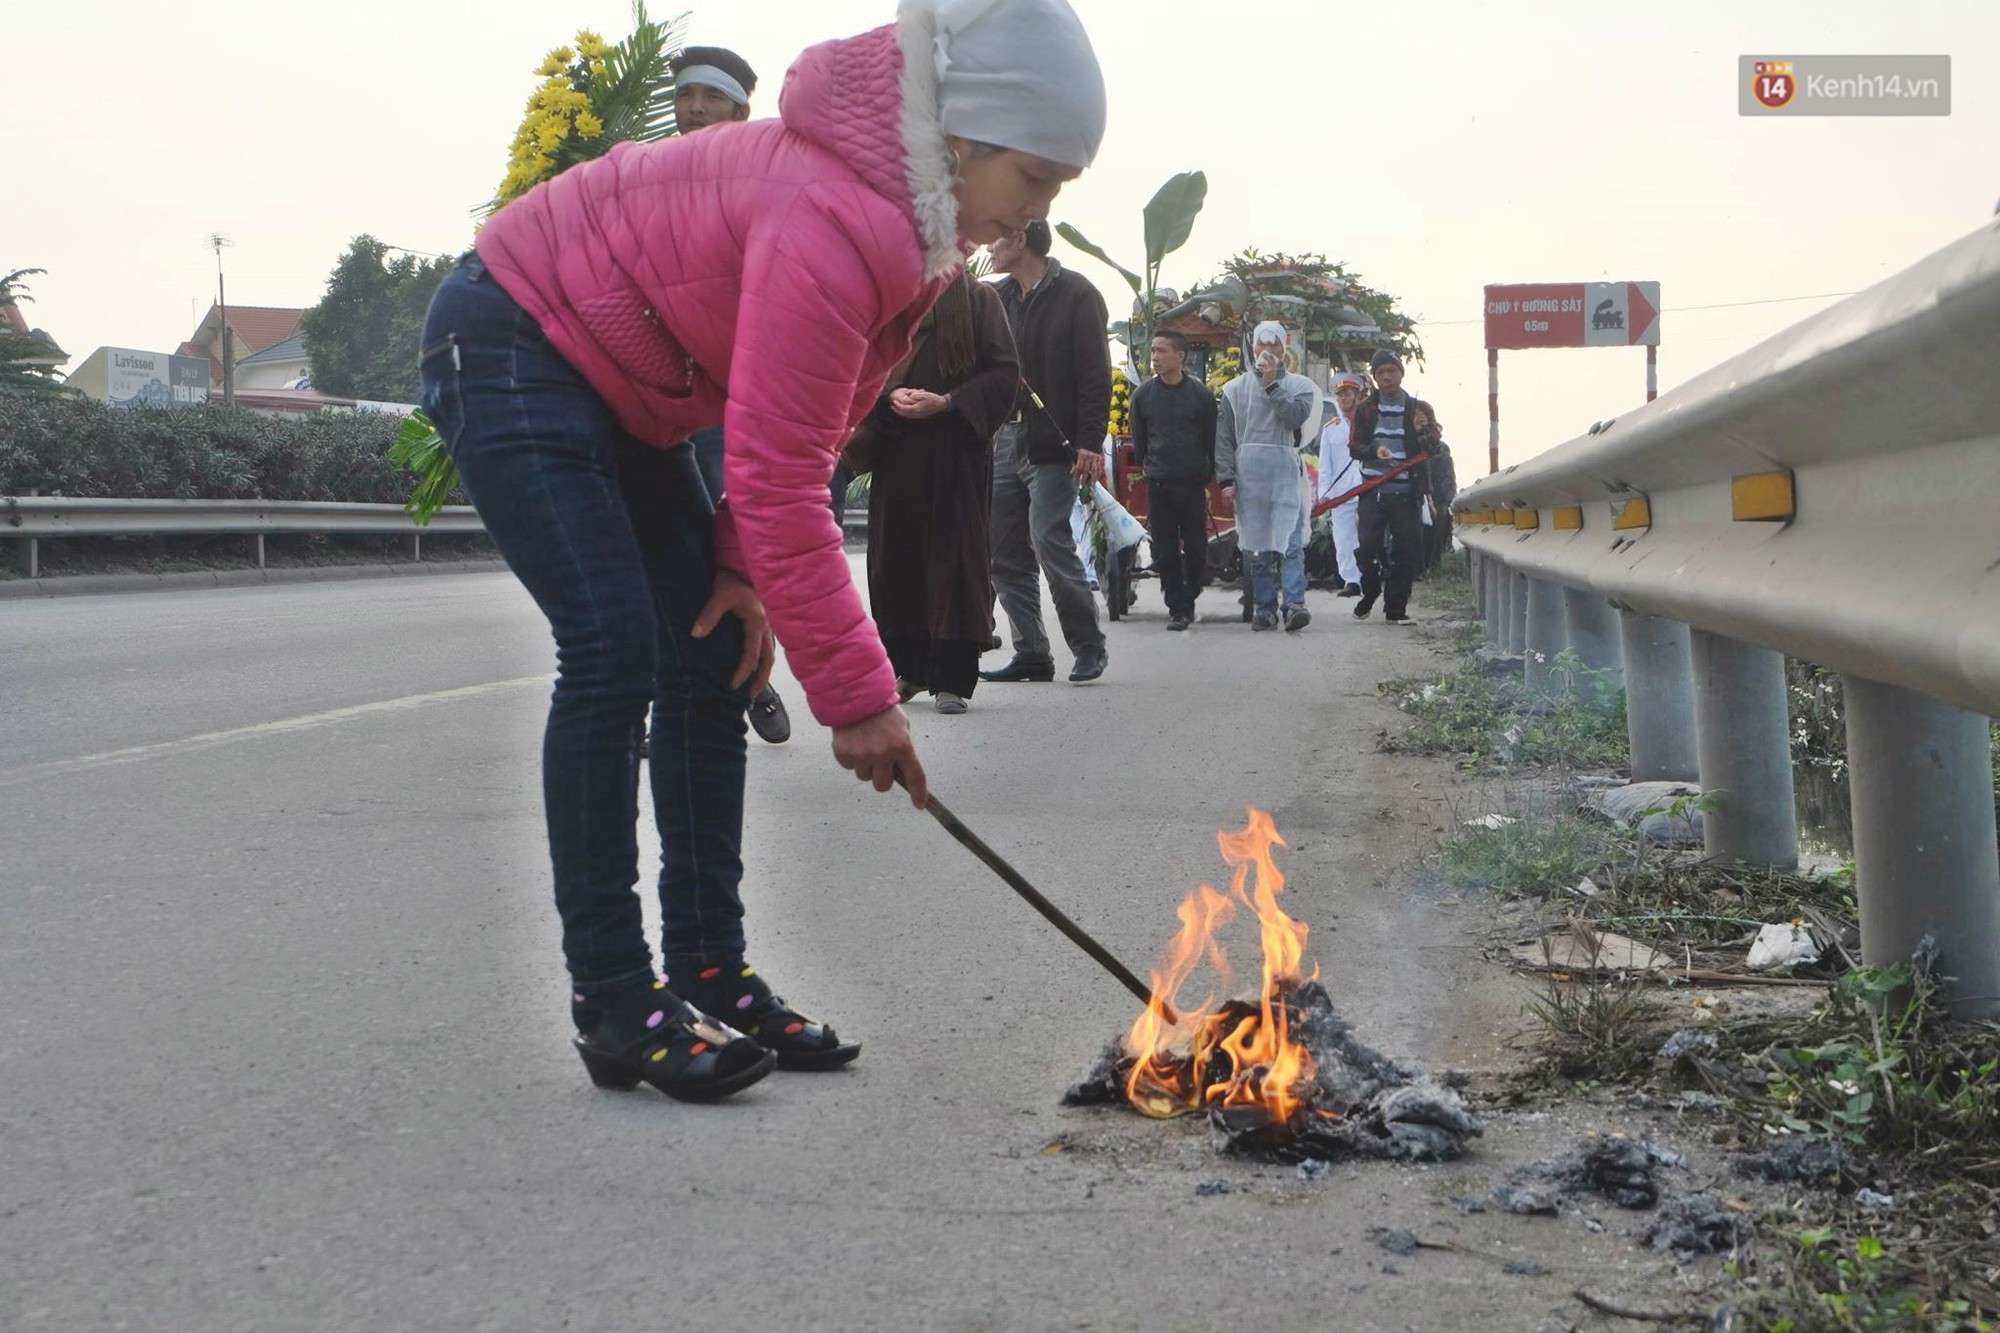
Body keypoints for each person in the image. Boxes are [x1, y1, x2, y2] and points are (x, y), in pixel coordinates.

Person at [418, 0, 1106, 1102]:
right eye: (1034, 178)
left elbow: (813, 422)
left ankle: (707, 968)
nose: (1035, 210)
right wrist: (858, 699)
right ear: (964, 141)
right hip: (513, 333)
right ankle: (614, 997)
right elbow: (781, 472)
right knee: (612, 649)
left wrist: (742, 570)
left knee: (712, 652)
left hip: (626, 383)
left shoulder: (916, 233)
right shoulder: (836, 217)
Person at [658, 45, 794, 746]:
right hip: (652, 394)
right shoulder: (646, 178)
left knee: (729, 546)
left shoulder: (758, 183)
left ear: (741, 111)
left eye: (710, 99)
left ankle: (753, 681)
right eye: (685, 97)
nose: (696, 110)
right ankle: (669, 695)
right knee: (665, 550)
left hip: (727, 398)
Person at [842, 271, 1018, 714]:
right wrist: (890, 394)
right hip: (897, 453)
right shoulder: (891, 294)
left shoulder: (979, 300)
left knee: (956, 563)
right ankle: (911, 669)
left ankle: (953, 678)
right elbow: (863, 368)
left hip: (954, 454)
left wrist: (948, 402)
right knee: (896, 564)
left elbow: (1004, 375)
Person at [979, 219, 1112, 684]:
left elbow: (1096, 375)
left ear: (1020, 240)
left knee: (1049, 539)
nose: (987, 246)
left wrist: (1090, 443)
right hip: (1001, 440)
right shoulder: (994, 297)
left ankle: (1088, 646)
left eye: (997, 237)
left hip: (1053, 446)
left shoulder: (1077, 293)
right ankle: (1032, 652)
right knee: (1002, 553)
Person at [1215, 321, 1318, 632]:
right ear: (1253, 347)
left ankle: (1295, 605)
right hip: (1250, 476)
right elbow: (1225, 439)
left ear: (1283, 349)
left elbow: (1295, 418)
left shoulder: (1301, 387)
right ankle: (1264, 607)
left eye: (1274, 346)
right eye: (1262, 345)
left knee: (1291, 542)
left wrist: (1272, 385)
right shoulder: (1234, 390)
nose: (1267, 352)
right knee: (1256, 545)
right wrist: (1226, 480)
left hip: (1285, 473)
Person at [1128, 329, 1216, 630]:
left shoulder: (1201, 396)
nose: (1155, 357)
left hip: (1192, 485)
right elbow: (1139, 446)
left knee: (1196, 549)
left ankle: (1191, 589)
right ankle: (1178, 608)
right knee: (1164, 551)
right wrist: (1152, 469)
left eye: (1162, 351)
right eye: (1153, 350)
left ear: (1180, 356)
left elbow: (1211, 441)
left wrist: (1207, 473)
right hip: (1159, 484)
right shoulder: (1142, 397)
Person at [1348, 348, 1440, 625]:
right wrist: (1375, 451)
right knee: (1366, 547)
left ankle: (1395, 609)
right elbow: (1354, 447)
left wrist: (1423, 431)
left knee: (1406, 552)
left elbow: (1434, 448)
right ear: (1375, 377)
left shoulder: (1420, 408)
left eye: (1392, 370)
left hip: (1407, 491)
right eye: (1381, 372)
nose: (1387, 376)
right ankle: (1372, 588)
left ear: (1401, 372)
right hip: (1373, 490)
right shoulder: (1365, 409)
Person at [1315, 372, 1366, 596]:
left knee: (1367, 538)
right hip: (1341, 492)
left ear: (1358, 396)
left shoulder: (1369, 425)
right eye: (1340, 395)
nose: (1344, 399)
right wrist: (1324, 494)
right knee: (1344, 539)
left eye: (1348, 394)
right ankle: (1351, 580)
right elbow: (1325, 465)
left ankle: (1368, 577)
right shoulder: (1331, 429)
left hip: (1366, 489)